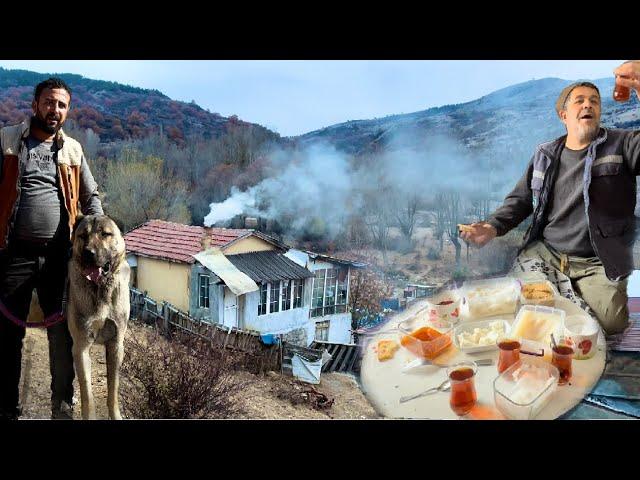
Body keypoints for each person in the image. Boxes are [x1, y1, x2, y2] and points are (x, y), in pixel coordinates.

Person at [461, 61, 640, 336]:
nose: (588, 105)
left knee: (611, 323)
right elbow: (520, 200)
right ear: (563, 114)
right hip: (548, 253)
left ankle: (566, 294)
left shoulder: (622, 144)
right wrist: (492, 227)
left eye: (594, 101)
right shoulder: (545, 154)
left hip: (597, 260)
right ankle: (564, 298)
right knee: (518, 306)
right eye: (579, 101)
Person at [0, 78, 103, 420]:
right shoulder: (8, 141)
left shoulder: (73, 150)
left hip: (60, 258)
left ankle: (62, 410)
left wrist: (98, 237)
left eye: (61, 104)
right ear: (35, 105)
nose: (54, 109)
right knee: (6, 336)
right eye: (48, 102)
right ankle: (6, 409)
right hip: (14, 254)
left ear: (67, 111)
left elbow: (91, 198)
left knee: (63, 338)